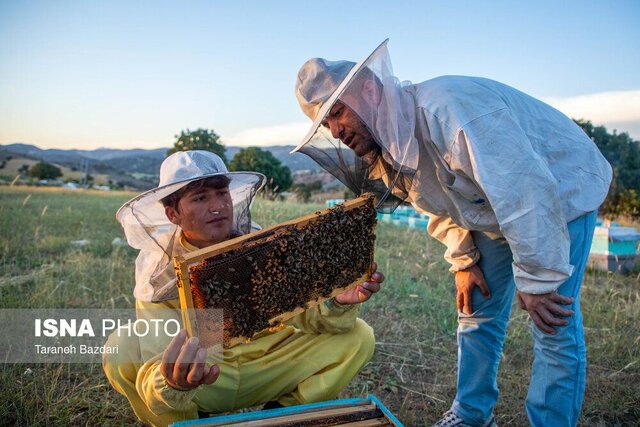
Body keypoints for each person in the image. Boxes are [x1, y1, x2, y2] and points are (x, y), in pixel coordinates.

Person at [292, 40, 612, 427]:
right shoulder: (387, 149)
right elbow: (437, 203)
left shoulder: (450, 111)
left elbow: (525, 192)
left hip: (561, 191)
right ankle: (471, 414)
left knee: (551, 320)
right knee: (475, 307)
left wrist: (538, 280)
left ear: (371, 91)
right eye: (326, 123)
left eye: (337, 112)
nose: (335, 130)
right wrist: (464, 259)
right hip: (491, 208)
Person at [103, 150, 384, 426]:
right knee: (121, 346)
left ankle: (282, 417)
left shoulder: (259, 246)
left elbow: (304, 314)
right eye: (200, 198)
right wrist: (174, 383)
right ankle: (187, 422)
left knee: (359, 336)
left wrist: (337, 303)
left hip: (268, 365)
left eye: (222, 193)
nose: (218, 207)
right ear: (173, 214)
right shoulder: (159, 273)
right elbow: (156, 357)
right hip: (206, 376)